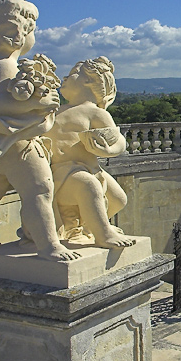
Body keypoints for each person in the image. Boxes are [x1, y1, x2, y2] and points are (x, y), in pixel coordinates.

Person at [0, 0, 79, 276]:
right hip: (14, 144)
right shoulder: (3, 64)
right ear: (18, 32)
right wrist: (38, 103)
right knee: (39, 190)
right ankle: (49, 245)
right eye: (32, 30)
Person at [44, 56, 135, 248]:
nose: (64, 78)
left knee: (118, 199)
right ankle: (104, 233)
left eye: (71, 74)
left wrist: (108, 149)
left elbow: (119, 141)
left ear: (87, 81)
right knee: (89, 187)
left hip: (91, 169)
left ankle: (89, 225)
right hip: (62, 172)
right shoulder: (54, 110)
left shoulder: (96, 113)